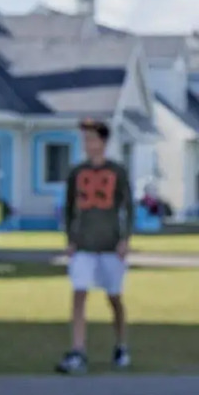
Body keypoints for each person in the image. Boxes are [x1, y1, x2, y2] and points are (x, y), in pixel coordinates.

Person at [56, 119, 135, 375]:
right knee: (79, 293)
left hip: (110, 245)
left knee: (114, 298)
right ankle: (78, 349)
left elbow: (128, 208)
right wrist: (70, 238)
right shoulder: (76, 173)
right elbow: (69, 208)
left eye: (92, 140)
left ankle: (121, 344)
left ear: (103, 142)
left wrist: (125, 239)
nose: (88, 145)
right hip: (83, 245)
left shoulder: (118, 172)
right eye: (85, 140)